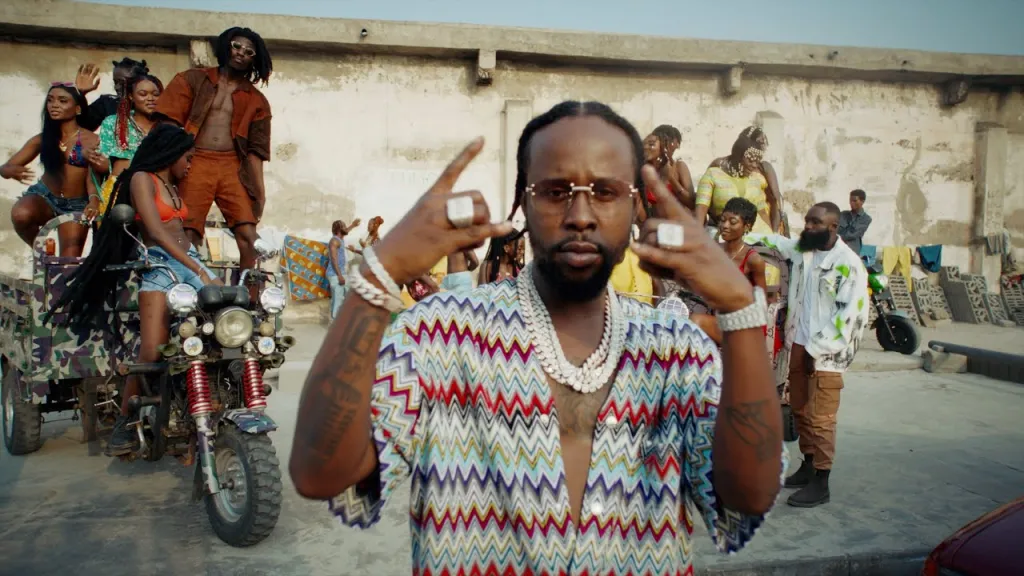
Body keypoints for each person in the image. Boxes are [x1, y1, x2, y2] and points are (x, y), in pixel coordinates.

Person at [289, 101, 784, 575]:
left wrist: (741, 313)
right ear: (522, 202)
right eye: (554, 190)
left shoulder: (678, 350)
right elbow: (321, 473)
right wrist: (377, 274)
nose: (581, 215)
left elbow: (748, 497)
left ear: (635, 206)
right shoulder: (438, 334)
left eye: (606, 192)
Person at [46, 124, 221, 455]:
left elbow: (180, 230)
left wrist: (202, 264)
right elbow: (157, 231)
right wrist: (200, 272)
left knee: (227, 322)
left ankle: (211, 399)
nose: (190, 164)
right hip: (160, 266)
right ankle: (126, 420)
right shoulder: (142, 179)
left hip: (191, 261)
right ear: (171, 153)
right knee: (151, 351)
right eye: (188, 157)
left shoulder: (172, 183)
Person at [747, 201, 869, 508]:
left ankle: (821, 481)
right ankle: (808, 465)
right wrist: (734, 235)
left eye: (815, 223)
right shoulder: (805, 250)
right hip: (799, 343)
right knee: (800, 409)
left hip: (828, 353)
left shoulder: (848, 265)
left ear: (833, 227)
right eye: (807, 221)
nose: (808, 227)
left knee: (822, 418)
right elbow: (776, 242)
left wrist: (818, 349)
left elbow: (851, 317)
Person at [153, 26, 273, 282]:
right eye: (236, 46)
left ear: (255, 59)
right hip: (195, 158)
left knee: (248, 234)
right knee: (188, 231)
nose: (241, 53)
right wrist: (170, 166)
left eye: (249, 52)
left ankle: (250, 297)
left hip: (233, 166)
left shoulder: (257, 100)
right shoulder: (192, 79)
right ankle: (186, 291)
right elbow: (169, 125)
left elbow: (256, 152)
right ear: (226, 46)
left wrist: (260, 194)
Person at [2, 83, 106, 256]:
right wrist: (10, 171)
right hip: (45, 197)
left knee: (68, 263)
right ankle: (42, 253)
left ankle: (55, 266)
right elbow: (5, 167)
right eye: (50, 100)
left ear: (77, 109)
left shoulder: (92, 140)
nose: (54, 105)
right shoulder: (43, 138)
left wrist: (93, 200)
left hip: (76, 204)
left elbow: (93, 177)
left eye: (62, 101)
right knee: (21, 214)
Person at [90, 72, 164, 222]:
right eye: (143, 94)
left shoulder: (167, 126)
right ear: (131, 96)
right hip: (119, 190)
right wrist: (94, 198)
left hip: (156, 191)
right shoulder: (114, 123)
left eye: (155, 94)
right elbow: (98, 165)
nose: (150, 98)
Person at [699, 126, 781, 233]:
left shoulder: (760, 172)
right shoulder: (716, 170)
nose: (761, 146)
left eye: (763, 143)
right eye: (757, 142)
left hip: (760, 229)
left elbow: (773, 202)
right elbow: (704, 202)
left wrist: (773, 234)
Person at [72, 58, 150, 132]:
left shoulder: (151, 106)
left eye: (122, 82)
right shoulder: (107, 104)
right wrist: (80, 94)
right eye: (115, 82)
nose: (117, 87)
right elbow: (83, 126)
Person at [642, 124, 694, 214]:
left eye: (651, 144)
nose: (646, 148)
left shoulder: (679, 167)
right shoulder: (644, 170)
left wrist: (671, 179)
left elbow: (691, 203)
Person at [327, 218, 361, 320]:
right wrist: (339, 276)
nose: (346, 228)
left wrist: (353, 225)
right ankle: (334, 323)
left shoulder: (340, 238)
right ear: (339, 229)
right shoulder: (334, 241)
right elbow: (333, 259)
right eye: (344, 226)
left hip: (341, 273)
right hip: (335, 274)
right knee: (337, 300)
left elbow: (346, 231)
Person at [838, 189, 871, 255]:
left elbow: (852, 235)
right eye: (850, 200)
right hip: (838, 249)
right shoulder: (843, 214)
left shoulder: (866, 219)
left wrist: (836, 237)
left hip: (852, 251)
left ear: (862, 201)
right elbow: (835, 229)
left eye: (854, 201)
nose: (851, 203)